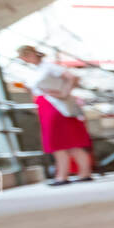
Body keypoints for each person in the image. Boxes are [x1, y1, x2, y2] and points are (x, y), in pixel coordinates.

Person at [19, 44, 95, 186]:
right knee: (61, 142)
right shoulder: (35, 70)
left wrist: (65, 92)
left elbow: (72, 77)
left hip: (56, 106)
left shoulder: (48, 67)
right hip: (46, 106)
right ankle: (69, 174)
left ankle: (69, 175)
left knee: (63, 141)